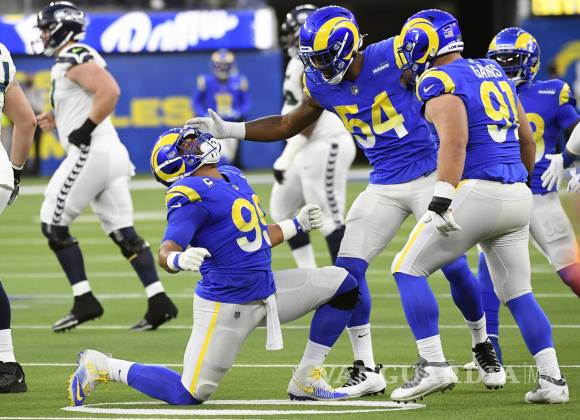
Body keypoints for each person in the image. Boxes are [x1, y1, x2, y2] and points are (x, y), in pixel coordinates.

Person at [185, 5, 499, 397]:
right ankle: (362, 366)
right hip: (383, 182)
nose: (315, 66)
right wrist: (231, 129)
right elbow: (289, 124)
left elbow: (444, 71)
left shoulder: (394, 54)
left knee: (453, 266)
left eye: (322, 57)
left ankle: (482, 343)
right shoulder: (320, 83)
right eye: (311, 58)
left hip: (427, 174)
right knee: (346, 276)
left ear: (346, 48)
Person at [67, 127, 360, 405]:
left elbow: (254, 237)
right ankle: (103, 366)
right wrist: (179, 259)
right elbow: (166, 250)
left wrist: (296, 225)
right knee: (189, 394)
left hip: (267, 293)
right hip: (226, 305)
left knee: (343, 284)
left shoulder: (231, 175)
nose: (197, 143)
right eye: (187, 145)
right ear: (176, 164)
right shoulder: (189, 193)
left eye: (193, 139)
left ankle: (307, 378)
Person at [389, 9, 567, 403]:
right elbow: (527, 140)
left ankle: (433, 365)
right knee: (518, 292)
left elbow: (455, 141)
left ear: (426, 42)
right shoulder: (493, 70)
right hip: (517, 192)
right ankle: (553, 380)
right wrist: (518, 182)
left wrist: (442, 196)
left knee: (406, 268)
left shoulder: (438, 79)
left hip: (475, 190)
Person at [34, 1, 177, 332]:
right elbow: (85, 97)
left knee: (53, 224)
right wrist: (56, 117)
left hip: (92, 152)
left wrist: (84, 129)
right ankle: (159, 301)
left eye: (46, 28)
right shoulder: (74, 57)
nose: (42, 35)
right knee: (124, 233)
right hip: (109, 152)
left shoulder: (74, 55)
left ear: (62, 28)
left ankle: (84, 299)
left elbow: (109, 91)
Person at [462, 27, 580, 369]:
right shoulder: (482, 92)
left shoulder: (552, 91)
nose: (507, 67)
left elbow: (575, 131)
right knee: (487, 271)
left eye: (513, 60)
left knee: (570, 270)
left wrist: (571, 162)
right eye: (500, 61)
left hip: (539, 194)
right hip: (501, 193)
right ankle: (490, 350)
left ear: (532, 62)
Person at [270, 4, 356, 267]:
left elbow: (309, 117)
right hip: (305, 146)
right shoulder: (297, 63)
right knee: (282, 208)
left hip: (326, 143)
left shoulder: (312, 67)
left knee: (330, 218)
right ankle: (308, 272)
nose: (289, 39)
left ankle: (349, 283)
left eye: (293, 33)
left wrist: (286, 156)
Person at [0, 42, 36, 393]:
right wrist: (15, 173)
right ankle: (6, 365)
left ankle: (8, 367)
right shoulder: (2, 52)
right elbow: (26, 120)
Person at [193, 49, 250, 165]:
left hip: (231, 124)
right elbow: (196, 102)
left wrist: (238, 112)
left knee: (228, 157)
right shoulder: (206, 81)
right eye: (220, 65)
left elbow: (246, 103)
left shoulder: (239, 81)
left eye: (226, 65)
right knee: (217, 155)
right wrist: (204, 114)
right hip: (212, 124)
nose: (223, 68)